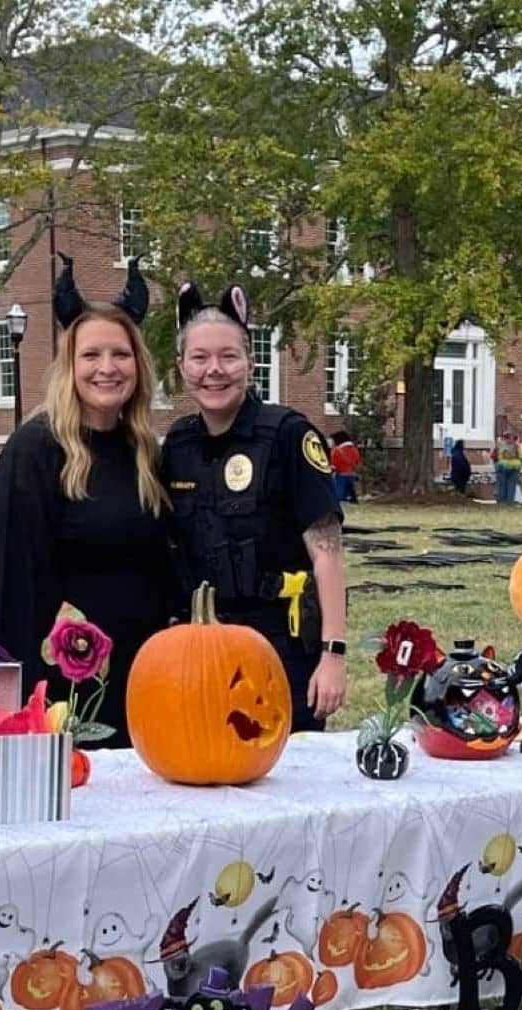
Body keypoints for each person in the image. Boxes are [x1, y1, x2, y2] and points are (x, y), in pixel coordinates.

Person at [0, 258, 173, 743]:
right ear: (70, 365)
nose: (107, 368)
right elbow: (7, 587)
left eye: (120, 355)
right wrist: (11, 704)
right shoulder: (35, 450)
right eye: (91, 355)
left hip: (144, 678)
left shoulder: (145, 451)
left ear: (138, 365)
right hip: (64, 683)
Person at [161, 281, 348, 731]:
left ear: (249, 361)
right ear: (181, 366)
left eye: (228, 356)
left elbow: (328, 553)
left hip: (282, 648)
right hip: (203, 650)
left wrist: (333, 655)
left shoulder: (287, 434)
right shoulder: (177, 445)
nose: (214, 370)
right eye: (200, 358)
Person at [490, 431, 522, 504]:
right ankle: (509, 502)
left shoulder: (501, 446)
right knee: (511, 486)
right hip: (514, 467)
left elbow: (497, 456)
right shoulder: (516, 446)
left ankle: (502, 502)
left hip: (503, 467)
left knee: (502, 486)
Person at [329, 429, 362, 503]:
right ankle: (352, 498)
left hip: (340, 474)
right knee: (350, 490)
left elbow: (334, 464)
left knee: (338, 495)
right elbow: (357, 461)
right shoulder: (354, 449)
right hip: (352, 474)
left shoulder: (336, 450)